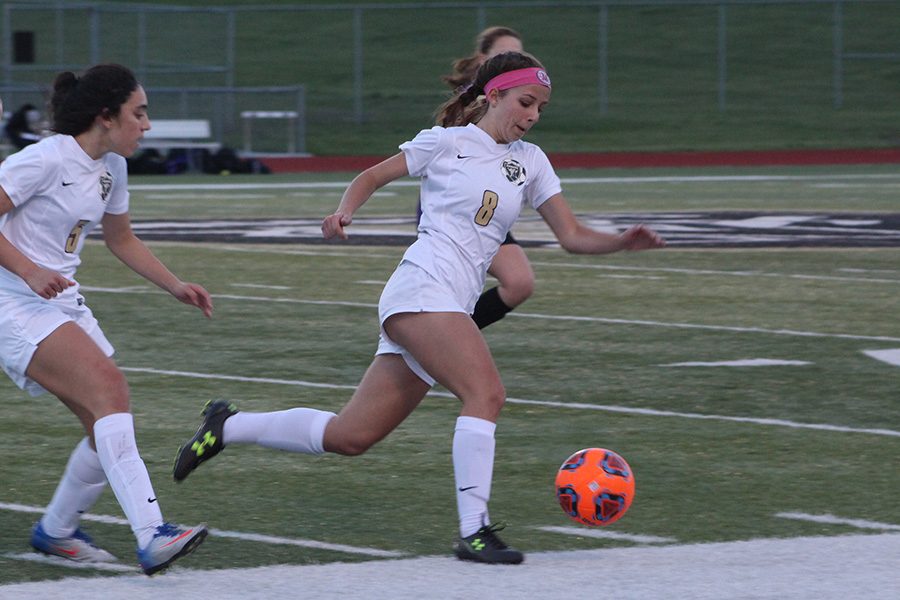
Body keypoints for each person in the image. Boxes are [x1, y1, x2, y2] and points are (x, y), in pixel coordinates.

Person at [172, 51, 664, 564]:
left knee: (350, 436)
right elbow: (371, 176)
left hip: (448, 301)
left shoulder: (532, 161)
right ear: (492, 95)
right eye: (525, 102)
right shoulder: (445, 143)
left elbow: (573, 236)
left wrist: (621, 242)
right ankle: (474, 532)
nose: (533, 114)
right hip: (421, 288)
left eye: (540, 106)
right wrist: (344, 212)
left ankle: (227, 426)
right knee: (486, 393)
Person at [0, 64, 210, 576]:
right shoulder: (46, 159)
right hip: (12, 300)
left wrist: (175, 285)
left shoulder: (113, 166)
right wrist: (28, 270)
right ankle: (153, 533)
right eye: (139, 113)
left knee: (102, 424)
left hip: (59, 303)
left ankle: (55, 531)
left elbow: (122, 240)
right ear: (105, 117)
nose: (148, 124)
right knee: (110, 391)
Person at [437, 26, 536, 329]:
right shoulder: (471, 104)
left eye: (519, 56)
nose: (515, 61)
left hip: (487, 209)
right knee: (450, 294)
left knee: (520, 282)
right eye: (506, 55)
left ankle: (448, 337)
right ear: (484, 59)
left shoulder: (520, 101)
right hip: (456, 210)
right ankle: (438, 339)